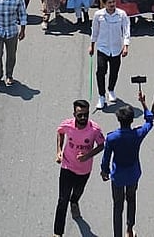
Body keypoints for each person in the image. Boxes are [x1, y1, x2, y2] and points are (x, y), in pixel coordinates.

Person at [99, 92, 154, 237]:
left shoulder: (112, 137)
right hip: (133, 174)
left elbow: (106, 158)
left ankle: (117, 234)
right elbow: (149, 121)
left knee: (118, 206)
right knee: (131, 200)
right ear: (131, 120)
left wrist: (104, 171)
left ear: (118, 119)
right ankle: (130, 229)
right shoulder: (138, 134)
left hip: (118, 176)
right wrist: (143, 103)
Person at [54, 99, 105, 233]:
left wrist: (87, 156)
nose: (83, 118)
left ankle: (75, 201)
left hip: (84, 170)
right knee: (62, 199)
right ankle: (57, 232)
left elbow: (102, 145)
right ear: (74, 114)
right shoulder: (67, 125)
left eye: (85, 114)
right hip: (67, 166)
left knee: (77, 192)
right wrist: (59, 151)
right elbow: (60, 132)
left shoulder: (95, 130)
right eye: (80, 115)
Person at [90, 0, 131, 109]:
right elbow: (95, 31)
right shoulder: (98, 15)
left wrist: (126, 46)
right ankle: (101, 96)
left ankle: (111, 90)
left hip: (116, 49)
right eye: (109, 3)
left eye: (113, 2)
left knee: (114, 72)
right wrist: (92, 45)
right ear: (104, 4)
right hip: (102, 49)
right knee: (100, 72)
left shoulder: (122, 14)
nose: (112, 4)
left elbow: (126, 30)